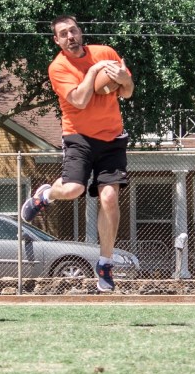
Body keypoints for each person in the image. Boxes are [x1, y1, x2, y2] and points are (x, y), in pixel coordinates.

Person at [20, 15, 134, 292]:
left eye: (73, 30)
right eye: (63, 33)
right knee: (72, 189)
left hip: (112, 137)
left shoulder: (106, 53)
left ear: (80, 32)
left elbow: (127, 92)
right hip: (79, 137)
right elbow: (81, 101)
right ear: (57, 41)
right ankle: (45, 195)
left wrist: (122, 79)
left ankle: (105, 263)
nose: (70, 36)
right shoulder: (58, 67)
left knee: (109, 198)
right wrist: (95, 73)